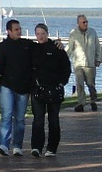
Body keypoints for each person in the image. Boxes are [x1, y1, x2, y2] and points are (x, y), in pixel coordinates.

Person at [0, 19, 33, 156]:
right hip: (6, 86)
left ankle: (17, 146)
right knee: (6, 115)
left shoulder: (27, 45)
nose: (19, 31)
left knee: (20, 118)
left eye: (20, 29)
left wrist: (56, 44)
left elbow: (42, 47)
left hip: (23, 87)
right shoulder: (2, 47)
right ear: (9, 31)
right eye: (16, 29)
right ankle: (3, 145)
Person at [30, 22, 71, 157]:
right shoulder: (33, 48)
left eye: (43, 34)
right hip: (38, 90)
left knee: (53, 120)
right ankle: (36, 147)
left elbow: (66, 68)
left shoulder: (57, 49)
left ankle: (52, 148)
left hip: (55, 90)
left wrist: (61, 84)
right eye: (38, 34)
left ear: (47, 34)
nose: (40, 37)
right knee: (38, 120)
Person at [67, 14, 102, 111]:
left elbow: (97, 46)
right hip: (78, 64)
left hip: (90, 63)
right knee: (79, 85)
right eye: (83, 22)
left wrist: (98, 59)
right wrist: (63, 57)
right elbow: (70, 48)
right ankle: (81, 103)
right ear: (78, 23)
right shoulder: (73, 33)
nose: (85, 24)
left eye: (86, 21)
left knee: (91, 84)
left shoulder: (92, 32)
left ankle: (93, 100)